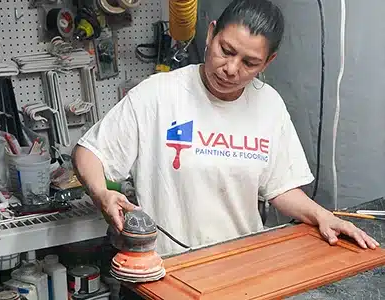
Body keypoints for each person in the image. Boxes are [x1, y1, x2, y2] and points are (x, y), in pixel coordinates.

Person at [72, 0, 379, 258]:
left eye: (250, 62)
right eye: (226, 50)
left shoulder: (268, 104)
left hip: (240, 265)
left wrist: (322, 216)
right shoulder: (158, 94)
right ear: (210, 35)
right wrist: (101, 193)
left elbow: (280, 186)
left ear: (268, 62)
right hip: (170, 269)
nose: (231, 69)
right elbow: (90, 152)